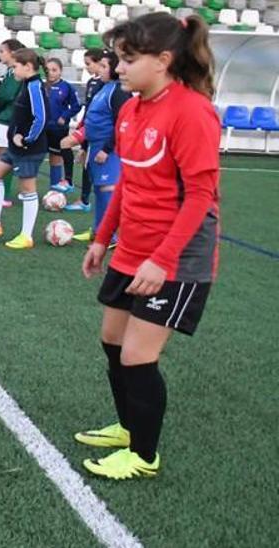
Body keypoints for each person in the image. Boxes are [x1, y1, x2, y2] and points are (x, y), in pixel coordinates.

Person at [77, 13, 221, 481]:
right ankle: (126, 427)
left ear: (163, 61)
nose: (117, 68)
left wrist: (164, 260)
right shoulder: (131, 108)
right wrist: (102, 239)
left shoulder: (193, 112)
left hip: (177, 255)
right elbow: (126, 184)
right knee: (112, 342)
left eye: (127, 59)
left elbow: (200, 196)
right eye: (118, 59)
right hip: (132, 247)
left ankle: (144, 454)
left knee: (139, 355)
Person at [0, 49, 49, 249]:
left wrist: (27, 138)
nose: (12, 70)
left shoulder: (35, 87)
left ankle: (26, 236)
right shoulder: (26, 85)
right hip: (15, 147)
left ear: (28, 66)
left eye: (15, 67)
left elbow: (41, 117)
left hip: (29, 148)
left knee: (28, 189)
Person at [70, 49, 129, 243]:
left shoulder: (119, 90)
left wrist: (107, 148)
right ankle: (98, 231)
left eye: (104, 66)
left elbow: (122, 123)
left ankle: (109, 237)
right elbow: (91, 120)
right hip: (95, 147)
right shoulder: (103, 88)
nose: (100, 70)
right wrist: (85, 147)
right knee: (99, 190)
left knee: (107, 191)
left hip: (107, 149)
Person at [65, 49, 109, 213]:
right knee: (86, 163)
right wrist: (81, 124)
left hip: (99, 131)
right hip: (88, 126)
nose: (87, 67)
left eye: (89, 64)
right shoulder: (91, 82)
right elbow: (89, 108)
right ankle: (84, 199)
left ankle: (85, 199)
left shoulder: (107, 85)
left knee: (92, 166)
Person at [0, 39, 25, 208]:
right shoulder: (10, 72)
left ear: (13, 53)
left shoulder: (17, 73)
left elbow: (7, 96)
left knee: (4, 155)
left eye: (2, 51)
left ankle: (3, 194)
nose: (0, 54)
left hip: (10, 119)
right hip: (3, 117)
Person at [45, 58, 82, 195]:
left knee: (55, 157)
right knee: (35, 156)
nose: (51, 73)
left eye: (54, 70)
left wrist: (64, 116)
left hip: (58, 129)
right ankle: (28, 190)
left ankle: (54, 191)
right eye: (48, 70)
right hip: (42, 129)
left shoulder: (67, 87)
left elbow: (76, 106)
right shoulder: (41, 86)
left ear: (60, 71)